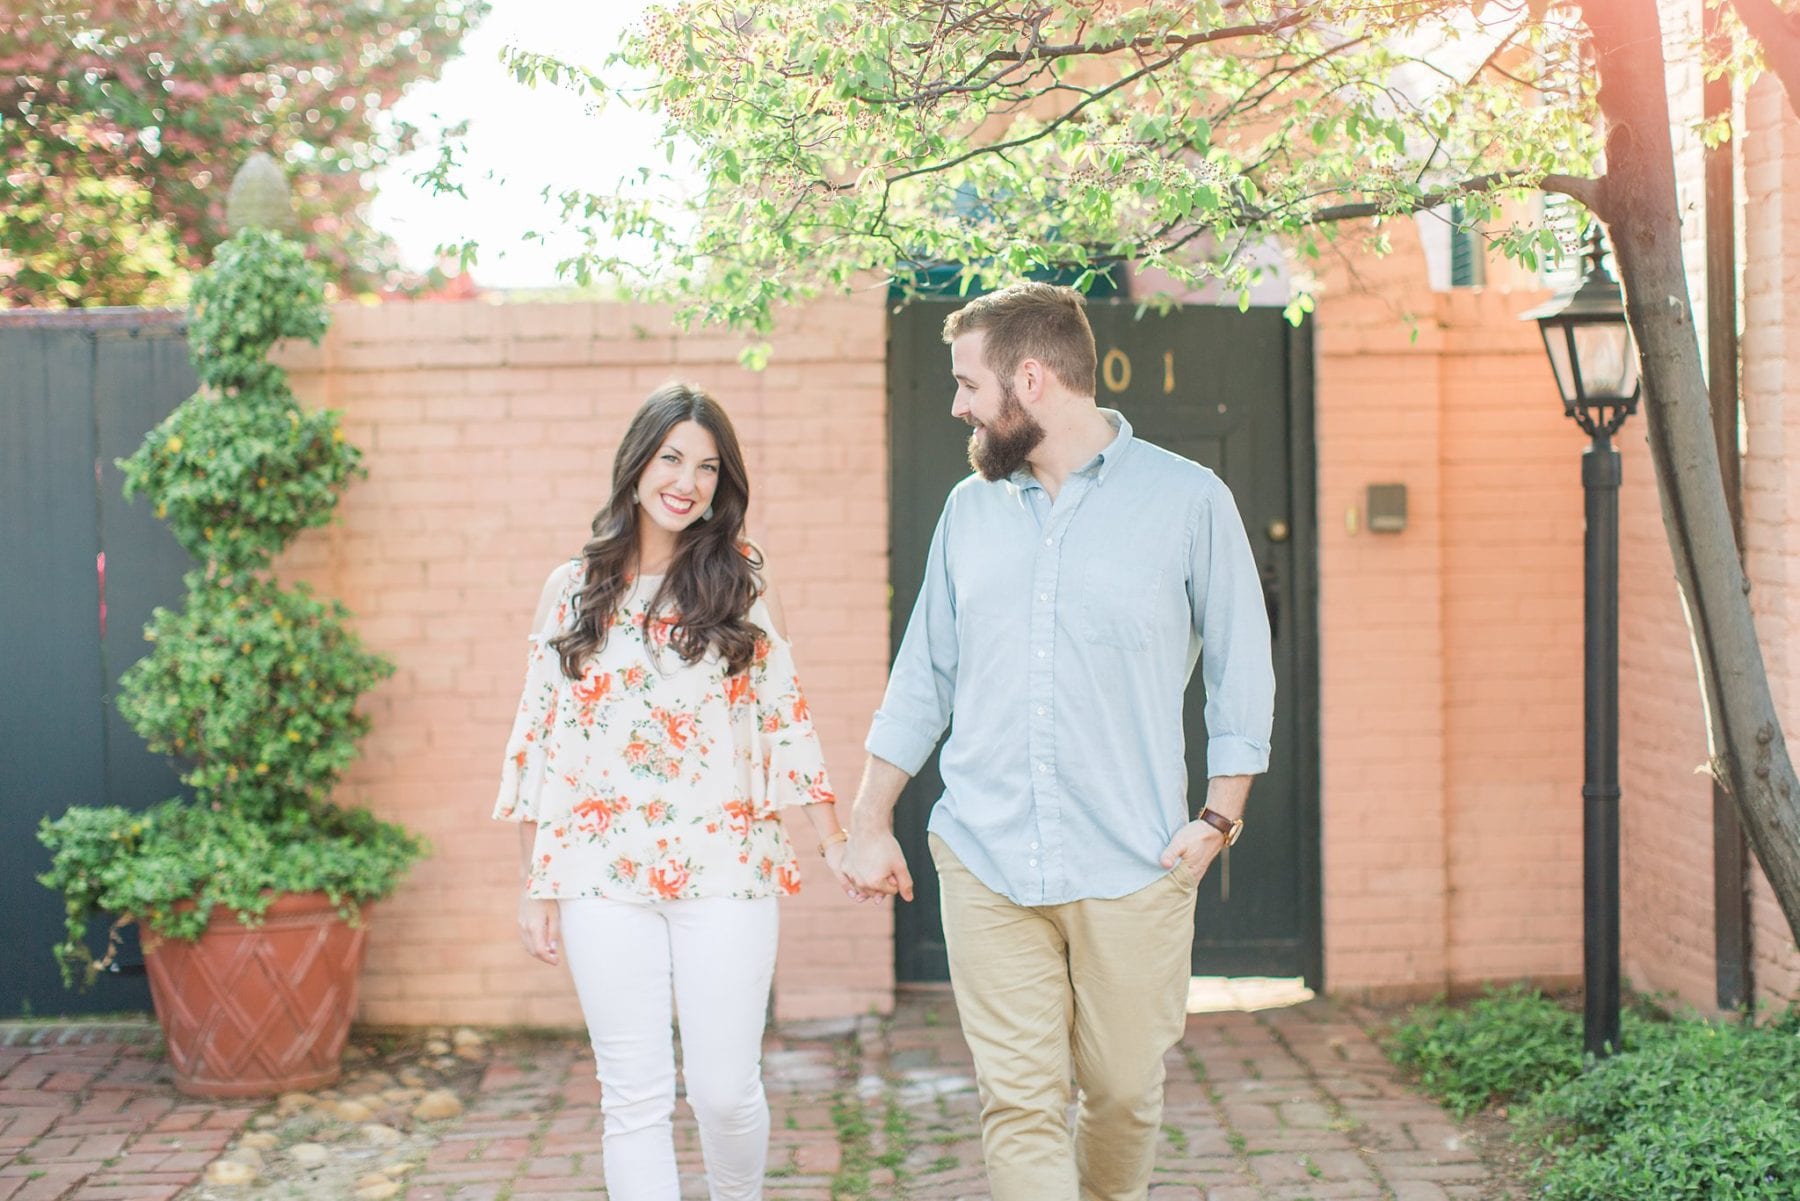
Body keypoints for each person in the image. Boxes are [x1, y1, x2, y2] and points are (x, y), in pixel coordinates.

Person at [841, 282, 1276, 1201]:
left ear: (1028, 380)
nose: (957, 403)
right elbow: (926, 672)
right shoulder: (969, 510)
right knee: (1020, 1101)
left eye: (968, 383)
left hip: (1134, 857)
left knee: (1121, 1093)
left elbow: (1244, 665)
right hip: (986, 854)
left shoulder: (1189, 500)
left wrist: (1219, 816)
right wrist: (870, 814)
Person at [492, 382, 852, 1201]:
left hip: (726, 867)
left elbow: (784, 721)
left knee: (724, 1090)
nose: (687, 481)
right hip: (597, 875)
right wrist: (535, 884)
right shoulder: (571, 588)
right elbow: (540, 746)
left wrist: (832, 839)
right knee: (635, 1099)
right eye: (672, 458)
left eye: (707, 467)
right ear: (637, 462)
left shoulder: (744, 582)